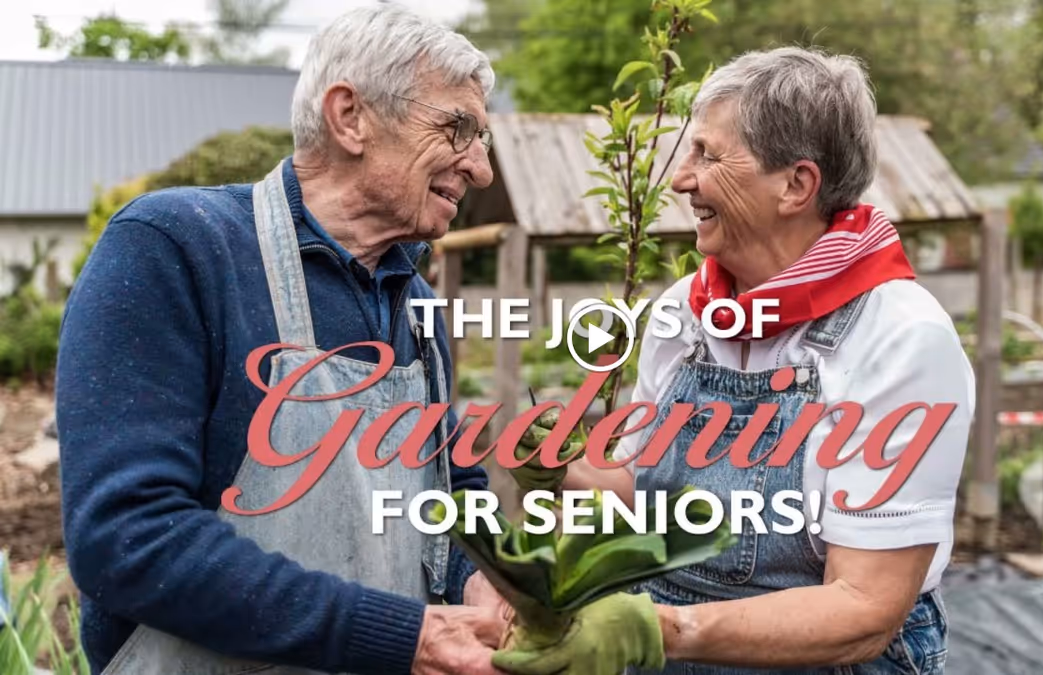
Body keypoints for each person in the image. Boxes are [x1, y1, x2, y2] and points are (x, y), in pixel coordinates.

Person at [56, 6, 509, 674]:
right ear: (349, 116)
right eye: (458, 128)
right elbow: (126, 535)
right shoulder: (178, 249)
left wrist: (483, 578)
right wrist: (397, 634)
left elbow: (452, 489)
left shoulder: (415, 303)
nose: (481, 169)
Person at [498, 46, 975, 674]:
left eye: (708, 155)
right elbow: (647, 487)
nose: (679, 178)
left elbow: (865, 609)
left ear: (796, 185)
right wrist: (567, 473)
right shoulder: (684, 315)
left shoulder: (900, 338)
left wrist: (657, 626)